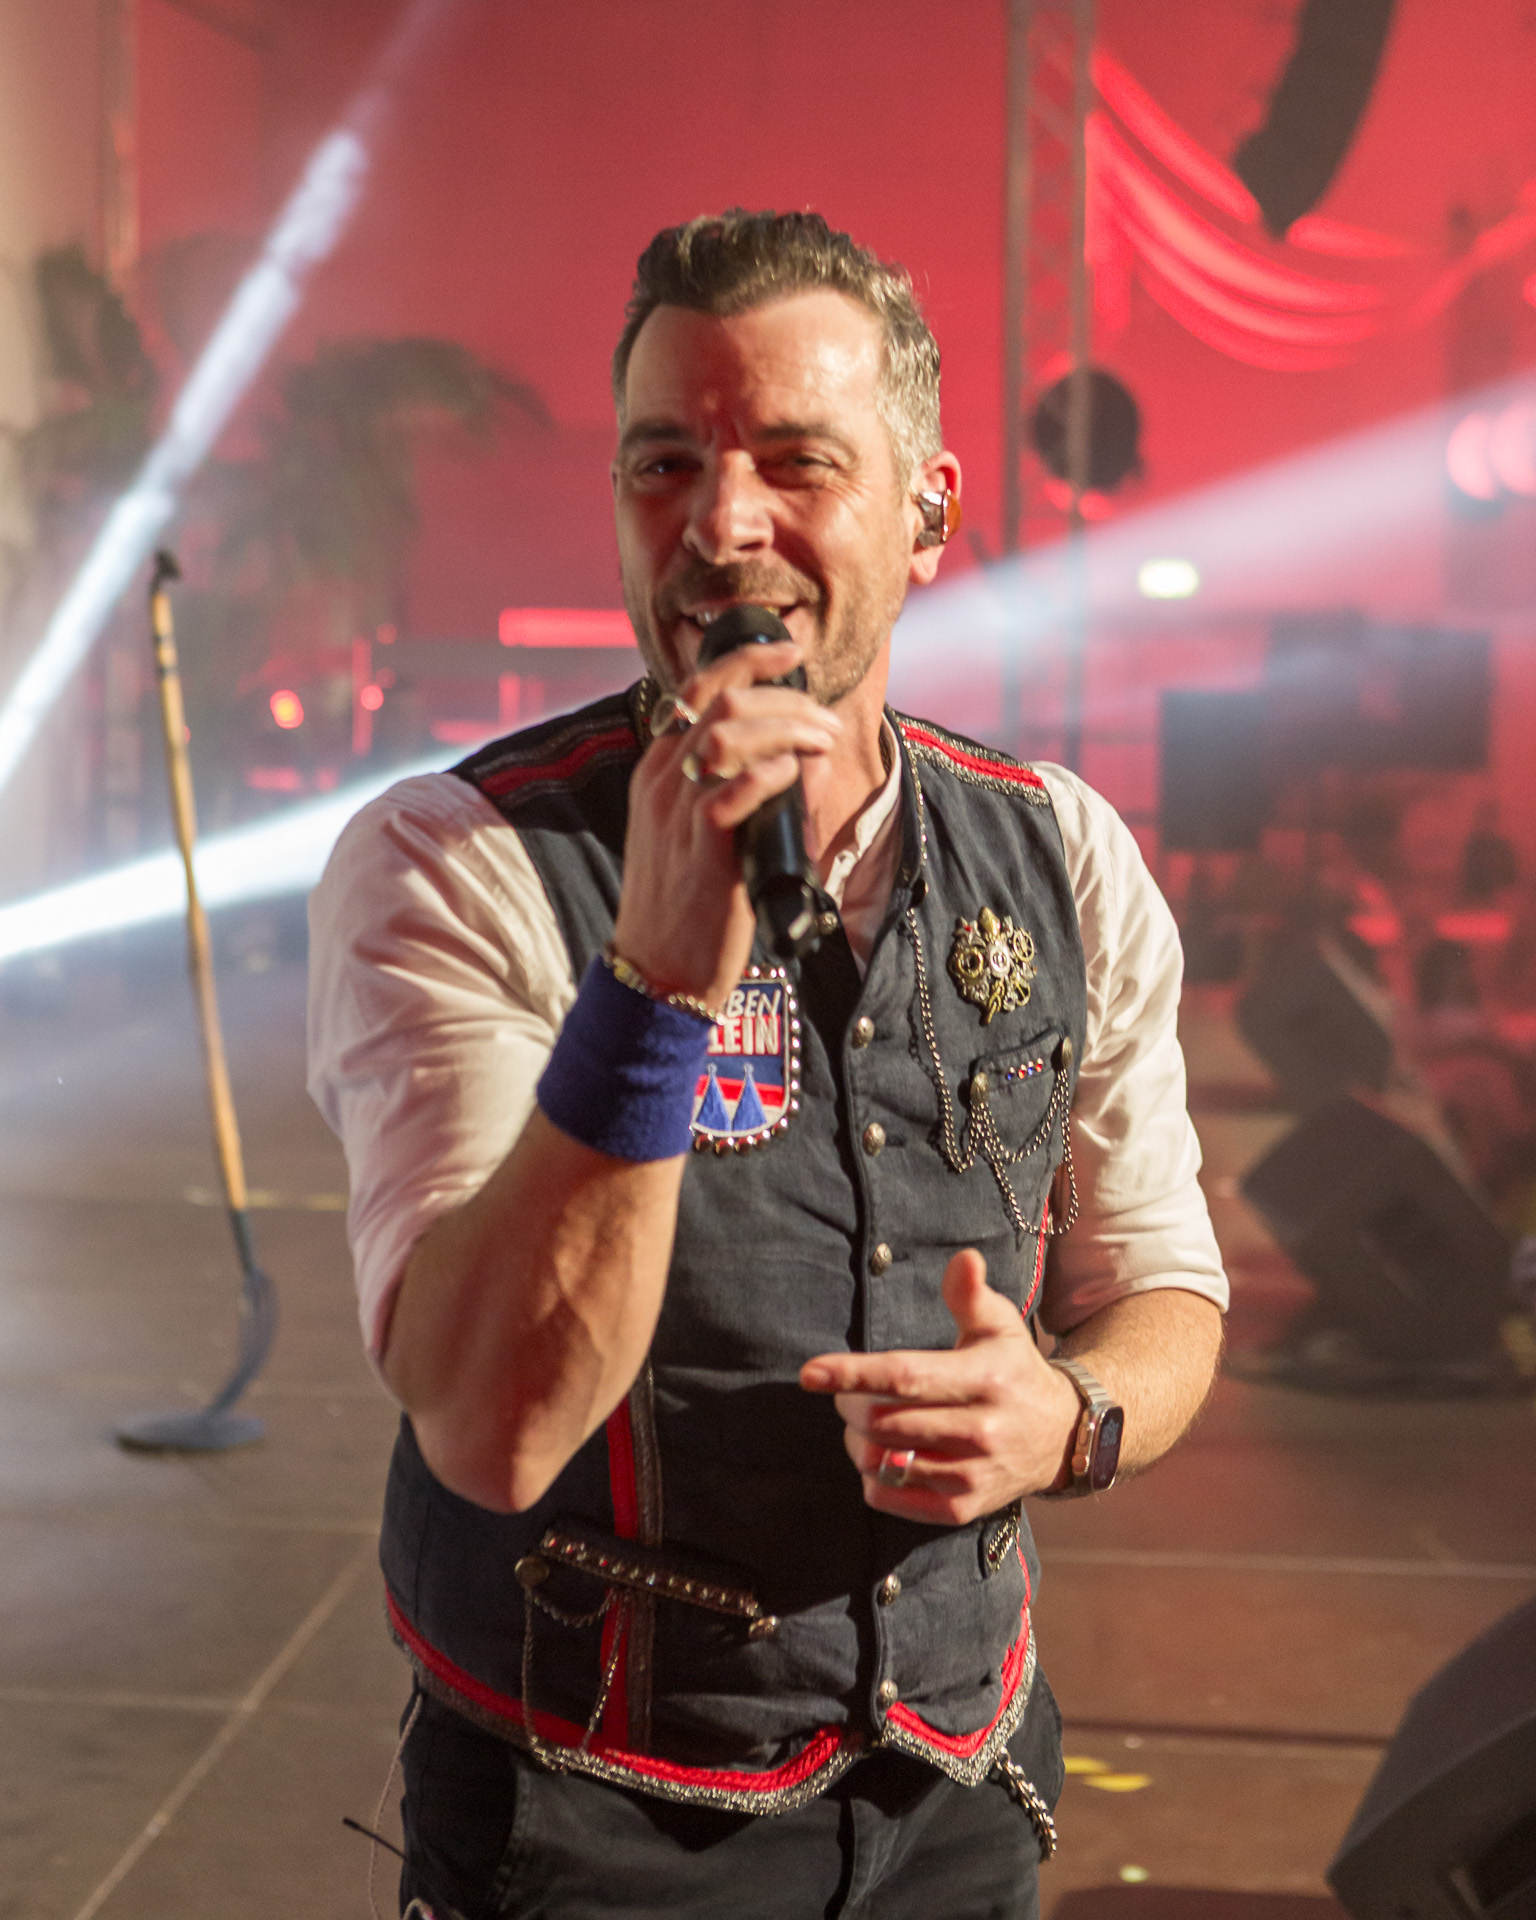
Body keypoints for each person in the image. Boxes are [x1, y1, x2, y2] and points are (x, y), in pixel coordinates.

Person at [308, 210, 1227, 1920]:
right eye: (665, 462)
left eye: (797, 461)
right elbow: (492, 1428)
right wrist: (655, 981)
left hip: (962, 1780)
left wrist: (1070, 1416)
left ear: (928, 512)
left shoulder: (1065, 854)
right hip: (590, 1821)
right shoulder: (457, 863)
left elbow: (1163, 1287)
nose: (723, 524)